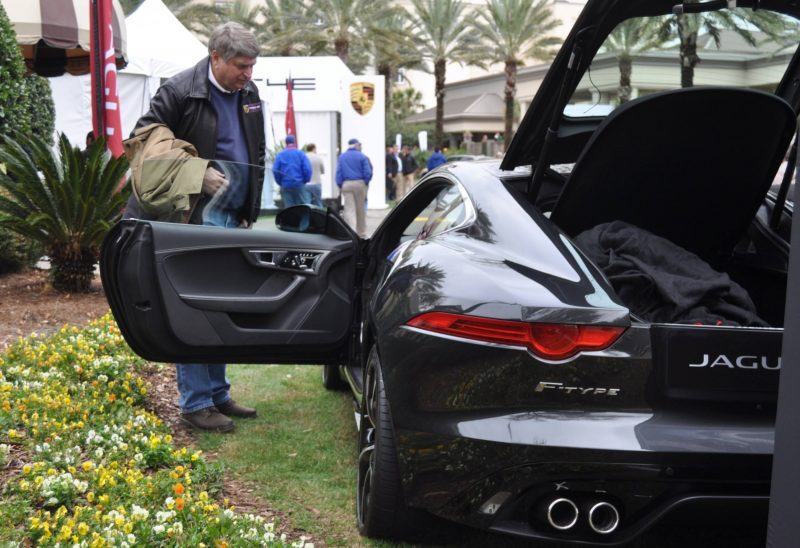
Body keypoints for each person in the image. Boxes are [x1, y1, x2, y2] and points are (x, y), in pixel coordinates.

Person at [124, 22, 265, 433]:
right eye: (240, 66)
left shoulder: (249, 93)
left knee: (222, 305)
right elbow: (143, 140)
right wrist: (195, 172)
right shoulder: (179, 89)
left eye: (252, 66)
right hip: (192, 214)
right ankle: (196, 402)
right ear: (215, 58)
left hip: (231, 213)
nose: (247, 75)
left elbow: (254, 149)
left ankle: (218, 393)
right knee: (194, 305)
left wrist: (248, 205)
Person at [335, 138, 372, 238]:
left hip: (347, 184)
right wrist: (365, 182)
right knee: (360, 210)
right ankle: (361, 233)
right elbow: (367, 172)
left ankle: (351, 233)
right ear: (356, 145)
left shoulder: (342, 157)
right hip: (360, 184)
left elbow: (339, 173)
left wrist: (340, 185)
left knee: (349, 210)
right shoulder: (362, 156)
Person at [273, 134, 312, 208]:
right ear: (294, 142)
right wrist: (306, 180)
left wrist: (280, 182)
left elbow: (275, 170)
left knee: (289, 209)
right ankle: (303, 220)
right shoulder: (300, 154)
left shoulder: (280, 155)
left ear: (286, 143)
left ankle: (290, 220)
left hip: (286, 185)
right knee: (303, 208)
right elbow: (307, 168)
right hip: (299, 184)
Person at [304, 143, 325, 207]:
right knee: (318, 202)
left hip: (306, 184)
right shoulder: (318, 158)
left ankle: (308, 216)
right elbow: (322, 171)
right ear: (314, 149)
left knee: (307, 204)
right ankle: (320, 216)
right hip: (317, 183)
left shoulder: (304, 157)